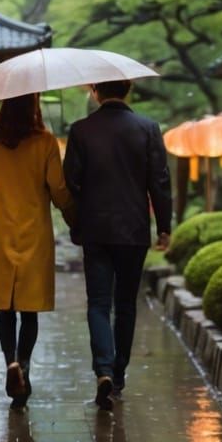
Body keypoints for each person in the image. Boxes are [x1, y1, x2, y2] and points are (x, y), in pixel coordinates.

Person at [63, 79, 173, 408]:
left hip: (96, 229)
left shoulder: (81, 130)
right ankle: (119, 375)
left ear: (96, 92)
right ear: (128, 91)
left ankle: (103, 369)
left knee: (98, 302)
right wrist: (163, 226)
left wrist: (78, 217)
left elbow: (70, 181)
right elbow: (160, 180)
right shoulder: (147, 128)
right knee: (125, 303)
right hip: (133, 229)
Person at [0, 93, 75, 409]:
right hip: (34, 232)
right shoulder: (45, 142)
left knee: (6, 306)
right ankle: (24, 365)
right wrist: (74, 217)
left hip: (1, 231)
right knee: (29, 308)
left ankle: (9, 363)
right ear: (35, 107)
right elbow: (58, 189)